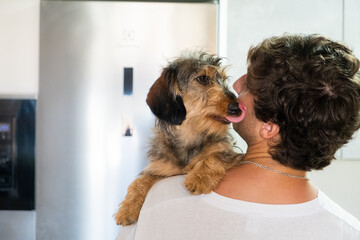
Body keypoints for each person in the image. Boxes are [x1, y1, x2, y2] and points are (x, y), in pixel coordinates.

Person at [117, 34, 360, 240]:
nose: (236, 83)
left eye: (250, 84)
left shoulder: (158, 199)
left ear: (269, 127)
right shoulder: (347, 231)